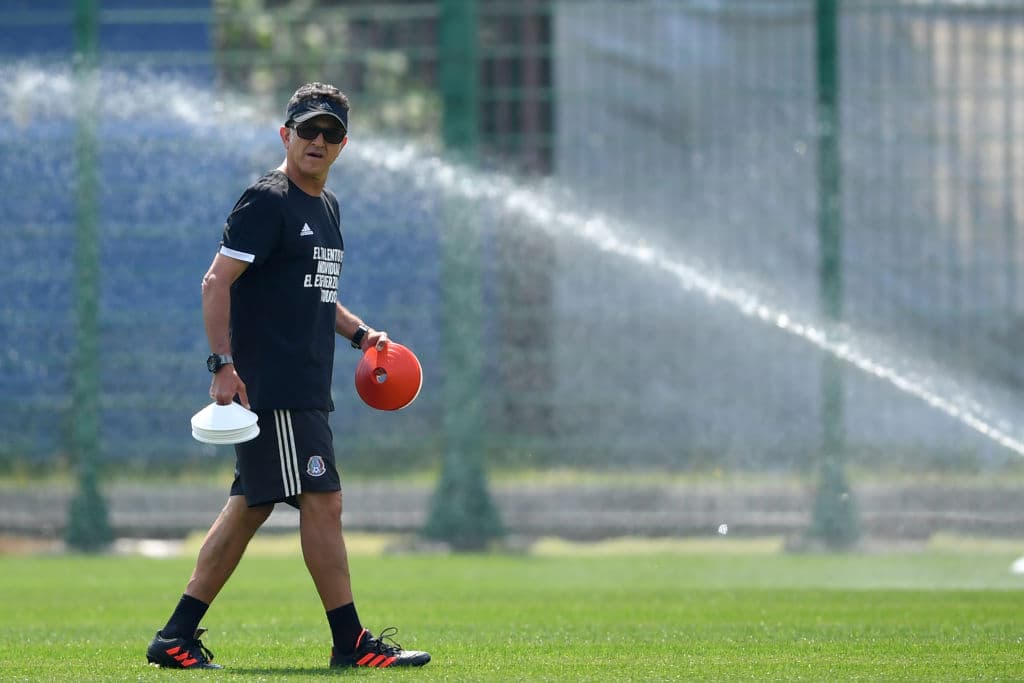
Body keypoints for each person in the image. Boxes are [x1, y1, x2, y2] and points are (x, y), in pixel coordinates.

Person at [146, 82, 431, 670]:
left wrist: (359, 335)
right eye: (307, 130)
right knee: (323, 501)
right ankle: (350, 642)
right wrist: (222, 366)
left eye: (330, 134)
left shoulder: (326, 207)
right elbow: (214, 282)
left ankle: (174, 637)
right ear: (286, 134)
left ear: (343, 145)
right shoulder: (267, 200)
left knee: (251, 505)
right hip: (272, 388)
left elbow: (316, 293)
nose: (317, 142)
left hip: (305, 385)